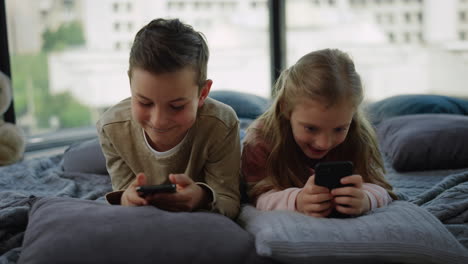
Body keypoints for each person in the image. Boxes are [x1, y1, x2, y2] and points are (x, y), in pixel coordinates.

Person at [96, 18, 241, 219]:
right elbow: (122, 191)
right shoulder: (111, 127)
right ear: (130, 86)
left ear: (203, 94)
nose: (159, 121)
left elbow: (229, 200)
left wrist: (201, 197)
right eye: (145, 103)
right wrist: (127, 200)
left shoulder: (221, 125)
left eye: (176, 106)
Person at [241, 49, 397, 218]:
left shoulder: (359, 135)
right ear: (285, 108)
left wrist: (366, 198)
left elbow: (382, 187)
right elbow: (255, 195)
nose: (324, 143)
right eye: (311, 128)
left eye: (339, 129)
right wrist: (297, 201)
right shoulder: (261, 138)